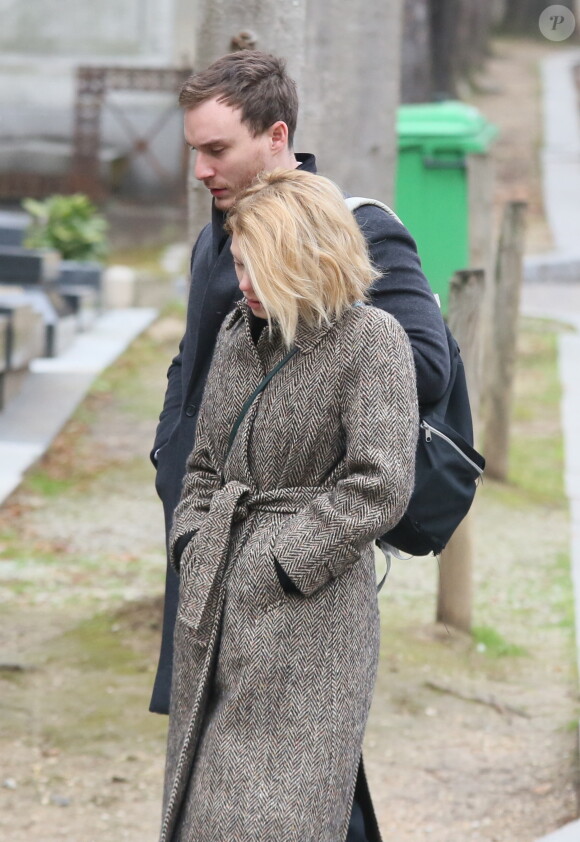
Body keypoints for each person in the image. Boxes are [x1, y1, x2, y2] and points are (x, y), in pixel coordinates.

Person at [151, 49, 450, 841]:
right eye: (194, 150)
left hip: (296, 571)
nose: (200, 169)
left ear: (274, 136)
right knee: (230, 780)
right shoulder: (222, 240)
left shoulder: (359, 231)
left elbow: (417, 371)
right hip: (215, 553)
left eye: (215, 149)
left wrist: (285, 550)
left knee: (287, 788)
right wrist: (179, 490)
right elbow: (194, 373)